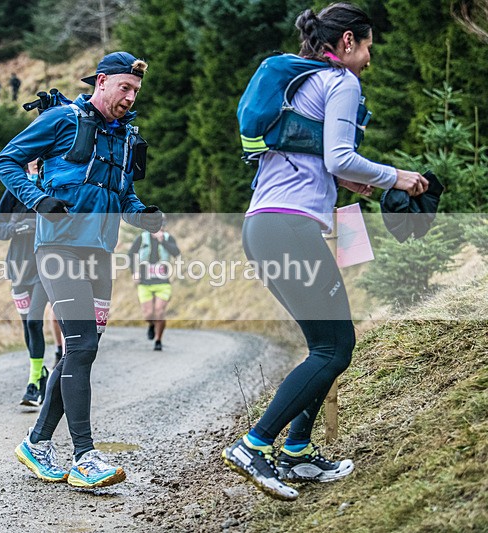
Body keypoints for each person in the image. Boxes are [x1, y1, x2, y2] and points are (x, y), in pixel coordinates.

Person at [221, 3, 429, 502]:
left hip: (266, 226)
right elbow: (339, 156)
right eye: (369, 46)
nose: (371, 58)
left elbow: (334, 170)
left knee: (327, 345)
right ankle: (254, 444)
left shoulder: (304, 85)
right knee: (335, 348)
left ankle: (295, 452)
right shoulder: (341, 83)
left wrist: (373, 189)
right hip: (289, 228)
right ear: (349, 43)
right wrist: (398, 176)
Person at [0, 51, 162, 489]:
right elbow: (6, 160)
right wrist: (36, 199)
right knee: (82, 345)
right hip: (58, 249)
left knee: (77, 353)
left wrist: (142, 214)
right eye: (124, 87)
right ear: (101, 81)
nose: (130, 97)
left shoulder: (126, 137)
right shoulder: (64, 120)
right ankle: (85, 456)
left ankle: (36, 444)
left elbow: (124, 195)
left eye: (136, 91)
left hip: (100, 252)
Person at [0, 160, 50, 406]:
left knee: (35, 321)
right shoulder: (14, 188)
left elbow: (68, 220)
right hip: (18, 268)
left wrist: (37, 225)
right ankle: (41, 373)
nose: (34, 159)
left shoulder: (51, 184)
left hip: (45, 267)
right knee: (27, 326)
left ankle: (33, 382)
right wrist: (16, 227)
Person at [127, 220, 180, 350]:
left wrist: (163, 241)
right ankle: (151, 324)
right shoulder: (141, 238)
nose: (159, 227)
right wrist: (134, 272)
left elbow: (176, 253)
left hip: (163, 282)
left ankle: (158, 340)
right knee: (148, 313)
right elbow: (130, 254)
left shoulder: (168, 238)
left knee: (160, 311)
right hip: (145, 282)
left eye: (161, 225)